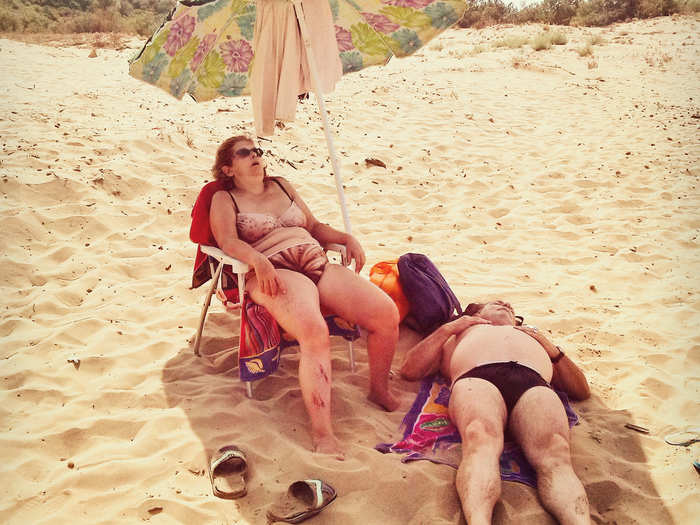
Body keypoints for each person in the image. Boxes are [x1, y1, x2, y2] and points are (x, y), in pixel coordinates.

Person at [209, 135, 400, 458]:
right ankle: (323, 433)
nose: (255, 155)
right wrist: (258, 260)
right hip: (272, 271)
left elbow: (312, 225)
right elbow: (227, 241)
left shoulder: (282, 185)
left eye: (258, 150)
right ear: (228, 168)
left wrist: (344, 238)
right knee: (314, 333)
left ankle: (379, 389)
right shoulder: (225, 199)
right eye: (245, 152)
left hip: (315, 261)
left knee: (387, 314)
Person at [400, 300, 591, 525]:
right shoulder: (461, 332)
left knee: (556, 452)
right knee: (480, 438)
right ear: (476, 313)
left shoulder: (532, 336)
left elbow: (581, 391)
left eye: (512, 309)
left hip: (533, 382)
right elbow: (410, 370)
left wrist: (555, 352)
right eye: (496, 303)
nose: (507, 305)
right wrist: (449, 329)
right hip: (477, 378)